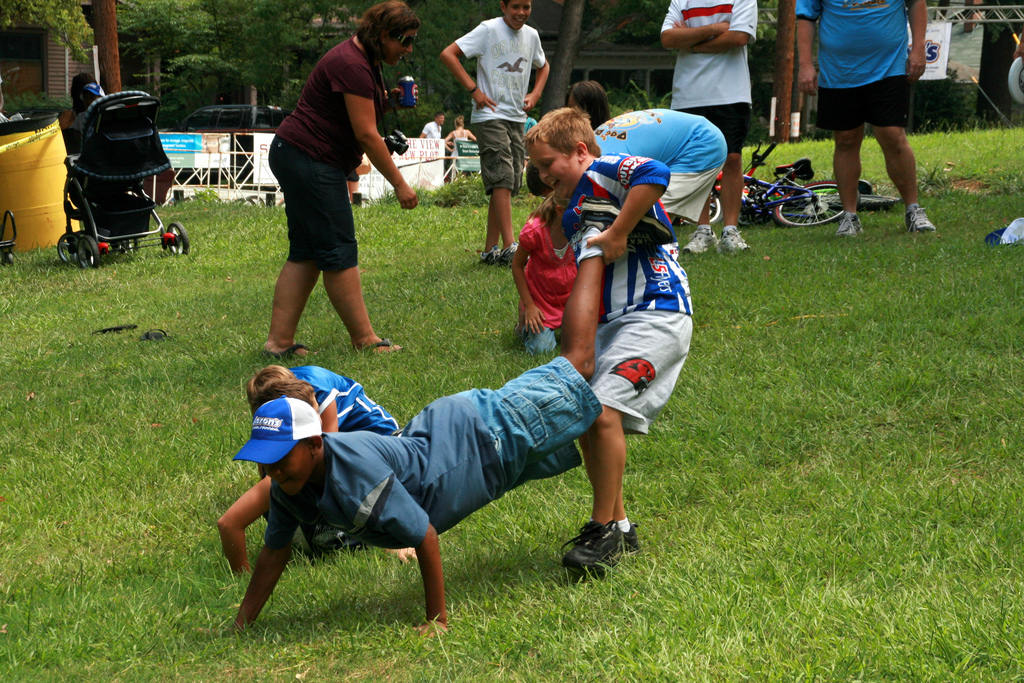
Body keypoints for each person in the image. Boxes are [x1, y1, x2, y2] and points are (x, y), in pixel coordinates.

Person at [230, 351, 602, 634]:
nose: (270, 470)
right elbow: (273, 553)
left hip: (485, 432)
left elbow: (423, 534)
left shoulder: (354, 472)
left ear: (314, 444)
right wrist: (241, 624)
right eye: (263, 460)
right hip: (482, 461)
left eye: (279, 457)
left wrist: (436, 620)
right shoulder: (287, 488)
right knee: (586, 421)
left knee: (586, 387)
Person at [526, 108, 693, 573]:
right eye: (537, 169)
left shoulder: (602, 169)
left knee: (600, 412)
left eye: (548, 164)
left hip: (654, 312)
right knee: (589, 416)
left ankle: (603, 531)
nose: (542, 177)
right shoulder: (575, 203)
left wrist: (618, 232)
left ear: (580, 151)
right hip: (612, 322)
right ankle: (618, 527)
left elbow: (656, 172)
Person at [263, 1, 420, 358]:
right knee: (338, 250)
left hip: (296, 152)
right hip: (310, 158)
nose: (408, 49)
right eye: (405, 41)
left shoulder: (365, 58)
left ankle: (278, 343)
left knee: (307, 252)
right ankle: (365, 338)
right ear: (383, 35)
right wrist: (399, 183)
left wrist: (389, 98)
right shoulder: (352, 64)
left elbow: (355, 109)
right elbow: (367, 135)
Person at [217, 365, 412, 573]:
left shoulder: (317, 395)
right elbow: (229, 523)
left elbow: (331, 452)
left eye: (315, 410)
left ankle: (382, 538)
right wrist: (242, 577)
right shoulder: (273, 404)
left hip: (382, 441)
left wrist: (400, 540)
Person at [797, 0, 936, 236]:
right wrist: (805, 65)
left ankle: (913, 209)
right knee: (846, 138)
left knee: (892, 135)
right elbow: (806, 17)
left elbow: (916, 3)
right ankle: (849, 216)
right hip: (839, 70)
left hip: (889, 65)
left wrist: (919, 47)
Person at [440, 0, 550, 266]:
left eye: (526, 7)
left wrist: (535, 93)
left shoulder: (532, 35)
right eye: (515, 7)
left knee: (509, 181)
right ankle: (512, 245)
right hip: (490, 115)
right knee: (501, 177)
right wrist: (473, 89)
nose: (521, 13)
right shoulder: (488, 30)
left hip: (516, 117)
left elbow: (543, 65)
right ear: (503, 6)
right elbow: (448, 54)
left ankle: (491, 249)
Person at [660, 0, 758, 254]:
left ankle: (730, 230)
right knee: (697, 164)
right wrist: (716, 27)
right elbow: (668, 38)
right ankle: (703, 230)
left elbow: (738, 37)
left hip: (731, 93)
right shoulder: (681, 0)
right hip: (688, 95)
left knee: (733, 159)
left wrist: (690, 42)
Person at [511, 164, 576, 354]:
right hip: (541, 303)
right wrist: (530, 305)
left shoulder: (580, 230)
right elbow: (517, 265)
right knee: (542, 350)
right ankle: (525, 322)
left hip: (571, 303)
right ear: (560, 211)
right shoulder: (535, 231)